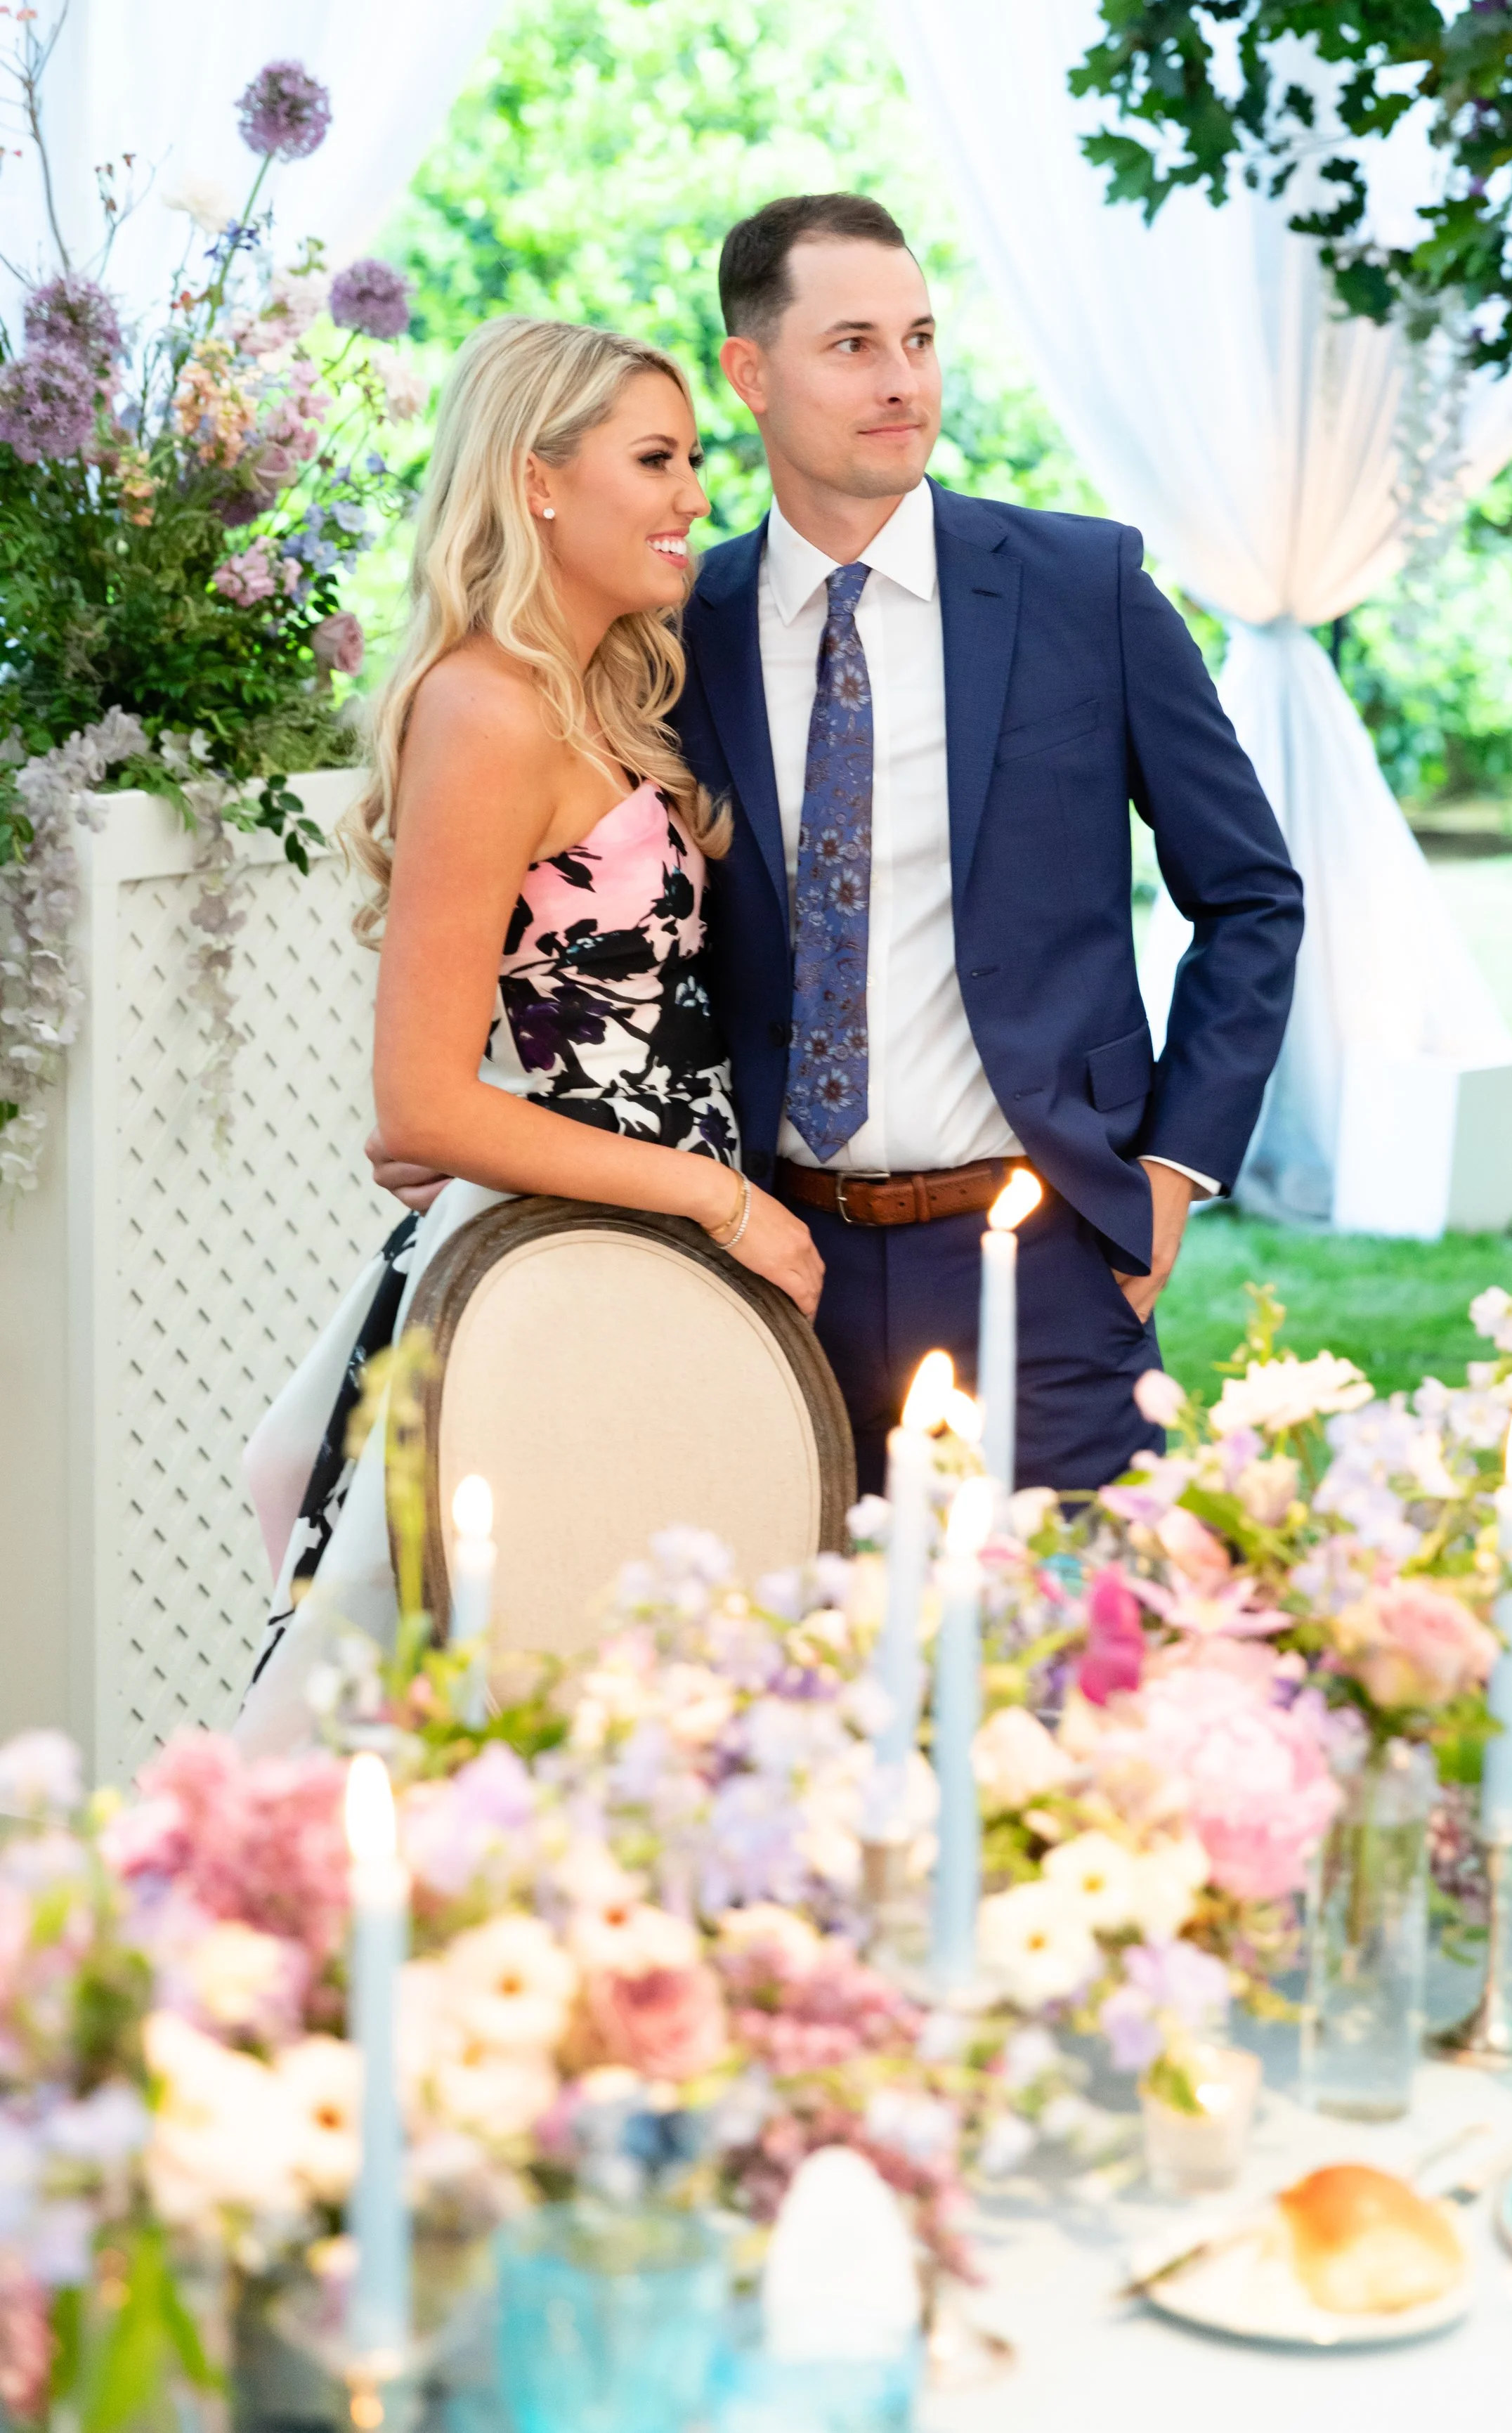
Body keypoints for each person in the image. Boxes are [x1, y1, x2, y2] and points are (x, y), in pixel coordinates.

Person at [375, 193, 1303, 1496]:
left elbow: (1253, 896)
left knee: (1065, 1677)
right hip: (761, 1262)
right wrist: (484, 1108)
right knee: (780, 1678)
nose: (902, 381)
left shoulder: (1085, 590)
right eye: (855, 345)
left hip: (1037, 1253)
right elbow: (595, 904)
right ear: (750, 372)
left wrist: (1171, 1170)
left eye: (920, 339)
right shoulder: (664, 628)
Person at [235, 316, 821, 1751]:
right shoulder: (485, 710)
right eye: (656, 460)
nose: (695, 495)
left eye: (695, 459)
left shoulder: (623, 692)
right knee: (482, 1677)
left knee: (633, 1670)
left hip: (649, 1247)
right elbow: (424, 1101)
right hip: (567, 1257)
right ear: (537, 480)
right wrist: (722, 1197)